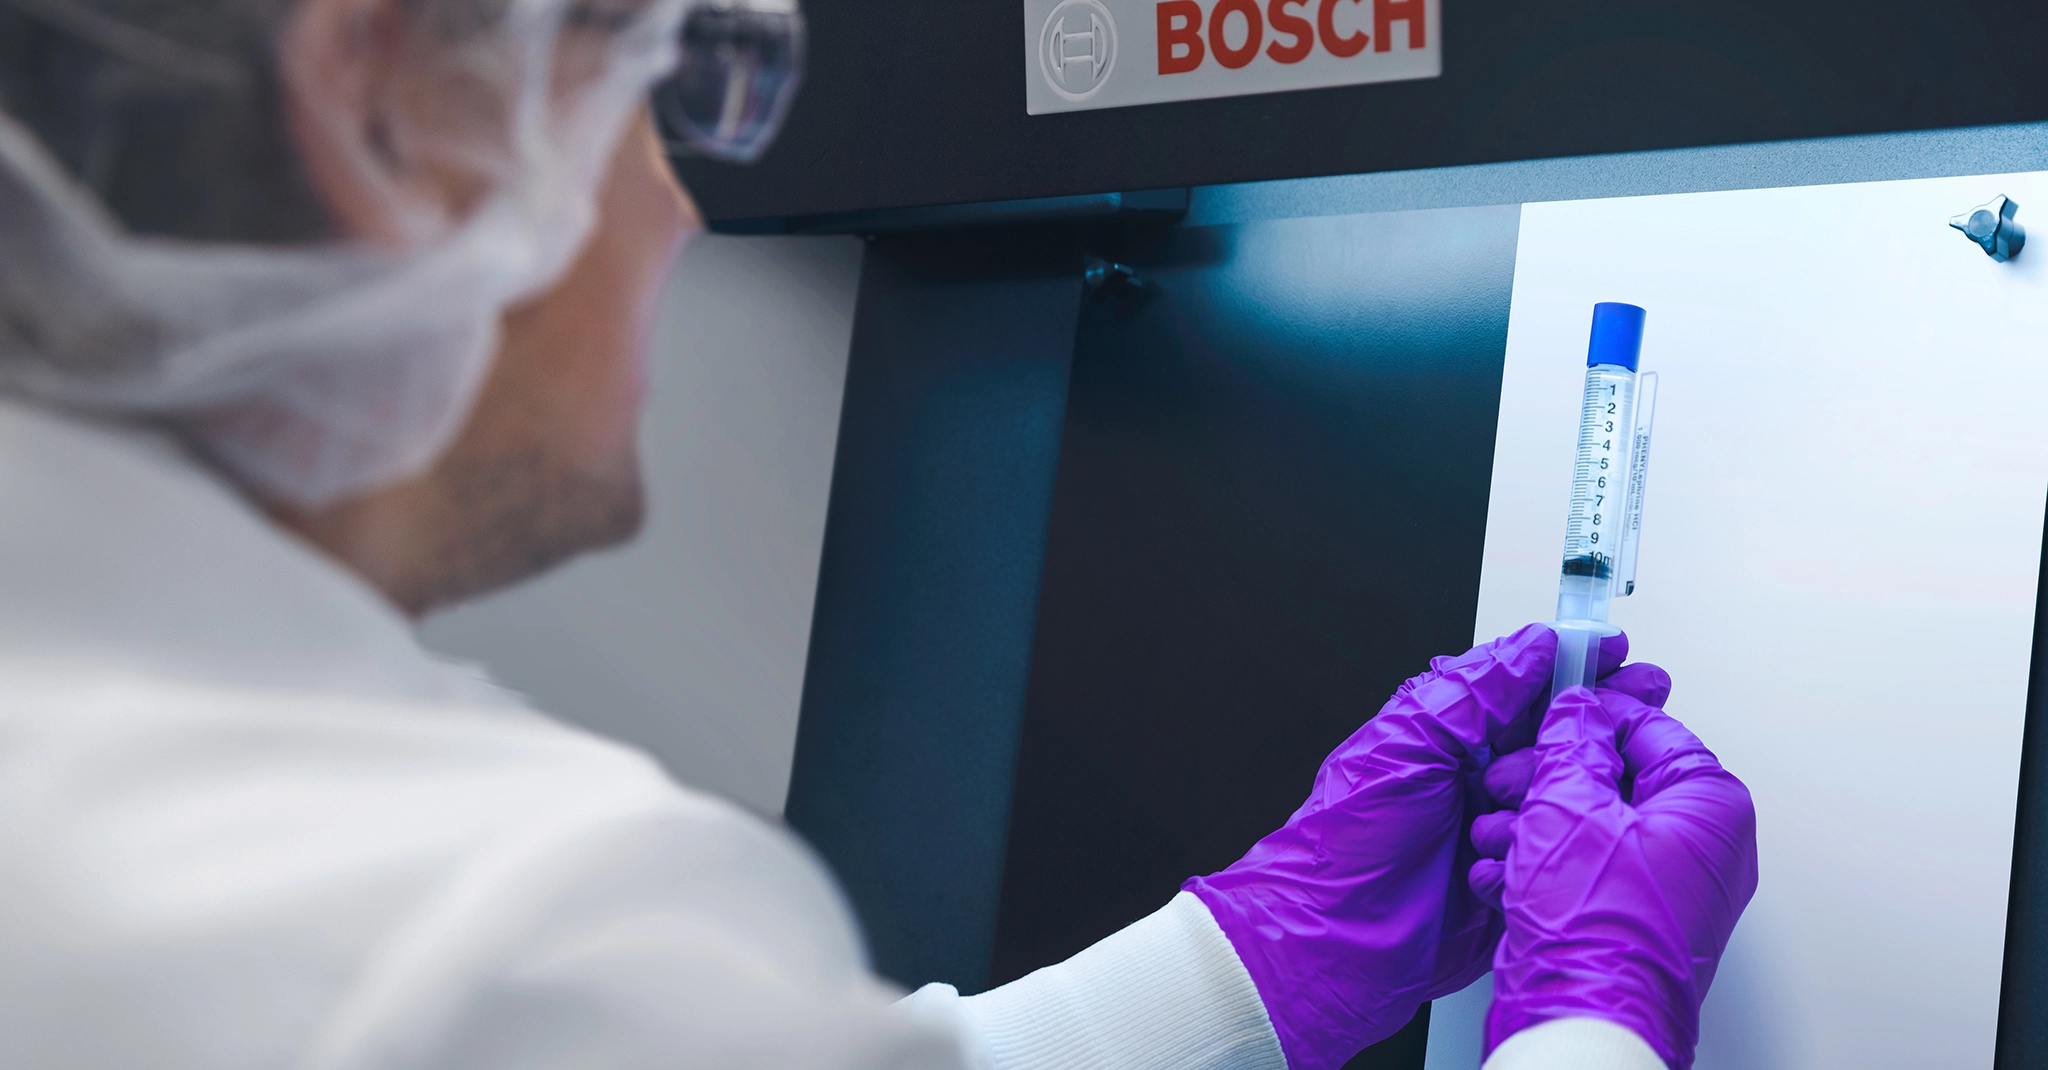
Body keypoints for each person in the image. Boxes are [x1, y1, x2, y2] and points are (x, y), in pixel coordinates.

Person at [0, 1, 1759, 1068]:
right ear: (384, 114)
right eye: (643, 100)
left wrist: (1249, 959)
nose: (682, 208)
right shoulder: (497, 921)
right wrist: (1588, 1009)